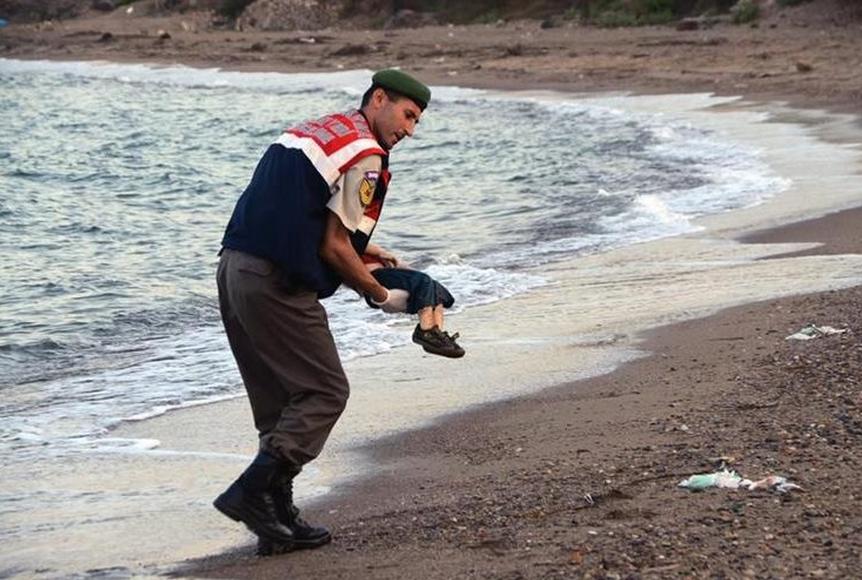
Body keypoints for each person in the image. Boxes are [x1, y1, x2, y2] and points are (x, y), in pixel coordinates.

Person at [213, 69, 431, 555]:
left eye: (417, 122)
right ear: (379, 98)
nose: (409, 131)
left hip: (234, 270)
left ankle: (276, 522)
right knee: (325, 391)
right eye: (407, 115)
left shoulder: (319, 129)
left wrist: (368, 254)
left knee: (278, 404)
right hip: (275, 283)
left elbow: (298, 213)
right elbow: (334, 247)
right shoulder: (368, 155)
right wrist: (379, 294)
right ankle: (250, 493)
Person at [361, 243, 464, 358]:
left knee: (435, 288)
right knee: (423, 281)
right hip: (374, 277)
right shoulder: (350, 239)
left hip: (386, 273)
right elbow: (357, 242)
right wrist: (383, 253)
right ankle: (425, 332)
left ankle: (436, 336)